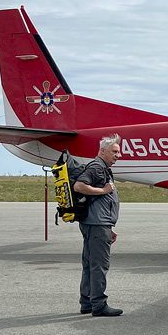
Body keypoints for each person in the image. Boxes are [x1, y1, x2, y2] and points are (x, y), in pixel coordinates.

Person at [74, 134, 122, 317]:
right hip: (96, 224)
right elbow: (79, 186)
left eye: (118, 152)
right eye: (114, 152)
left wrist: (109, 226)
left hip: (97, 223)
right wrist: (102, 190)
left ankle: (87, 302)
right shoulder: (96, 168)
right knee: (99, 265)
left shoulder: (101, 168)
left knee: (89, 264)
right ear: (103, 151)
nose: (118, 155)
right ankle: (99, 304)